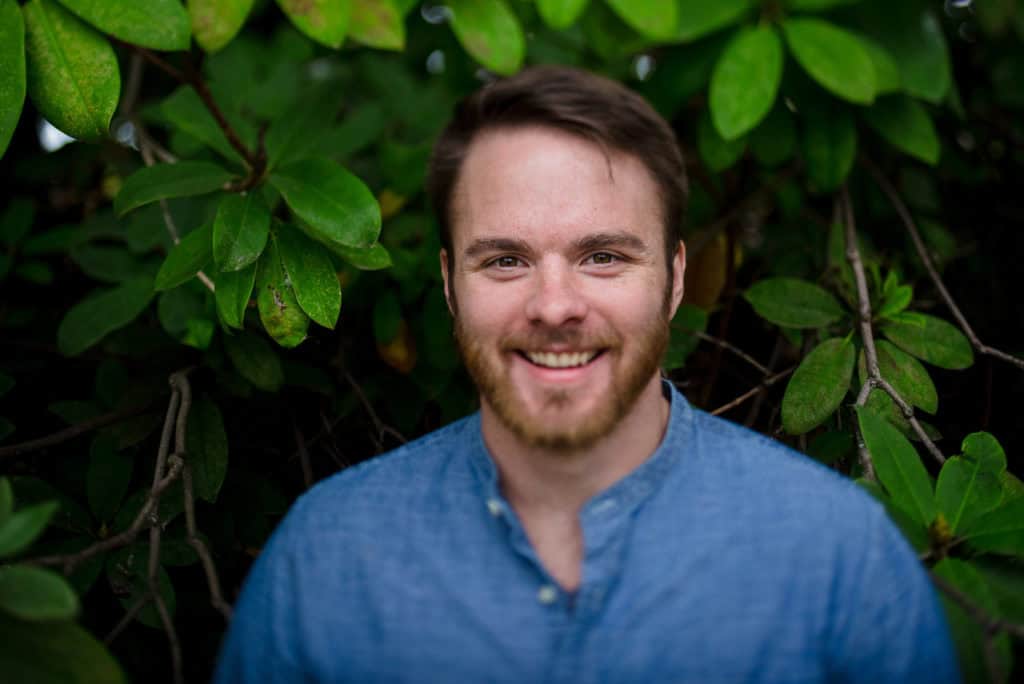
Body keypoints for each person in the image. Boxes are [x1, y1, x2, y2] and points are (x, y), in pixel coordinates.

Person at [214, 66, 959, 683]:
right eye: (504, 260)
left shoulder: (838, 555)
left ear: (673, 280)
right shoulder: (326, 558)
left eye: (603, 256)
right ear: (449, 285)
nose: (555, 306)